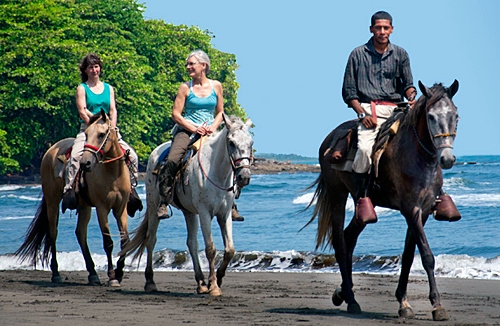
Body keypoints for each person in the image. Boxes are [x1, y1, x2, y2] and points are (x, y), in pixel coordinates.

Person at [339, 11, 460, 224]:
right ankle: (363, 198)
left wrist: (412, 96)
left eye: (386, 28)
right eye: (378, 28)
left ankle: (439, 193)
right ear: (371, 29)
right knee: (365, 149)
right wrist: (361, 113)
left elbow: (408, 85)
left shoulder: (401, 54)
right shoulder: (357, 54)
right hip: (369, 110)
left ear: (392, 29)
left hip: (398, 108)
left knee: (425, 143)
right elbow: (349, 92)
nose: (382, 31)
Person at [62, 53, 143, 216]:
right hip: (88, 130)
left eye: (96, 66)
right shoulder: (82, 88)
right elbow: (82, 111)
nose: (94, 70)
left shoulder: (108, 88)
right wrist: (95, 125)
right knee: (76, 157)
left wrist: (111, 128)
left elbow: (112, 109)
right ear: (85, 70)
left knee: (132, 156)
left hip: (108, 131)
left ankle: (131, 189)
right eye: (91, 67)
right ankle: (69, 189)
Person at [156, 50, 224, 219]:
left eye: (191, 64)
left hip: (210, 131)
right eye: (187, 64)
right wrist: (194, 129)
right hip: (187, 129)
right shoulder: (185, 87)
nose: (188, 67)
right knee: (172, 159)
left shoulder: (216, 86)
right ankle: (164, 201)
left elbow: (220, 112)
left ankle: (232, 202)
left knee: (231, 157)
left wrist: (213, 127)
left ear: (204, 65)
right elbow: (176, 115)